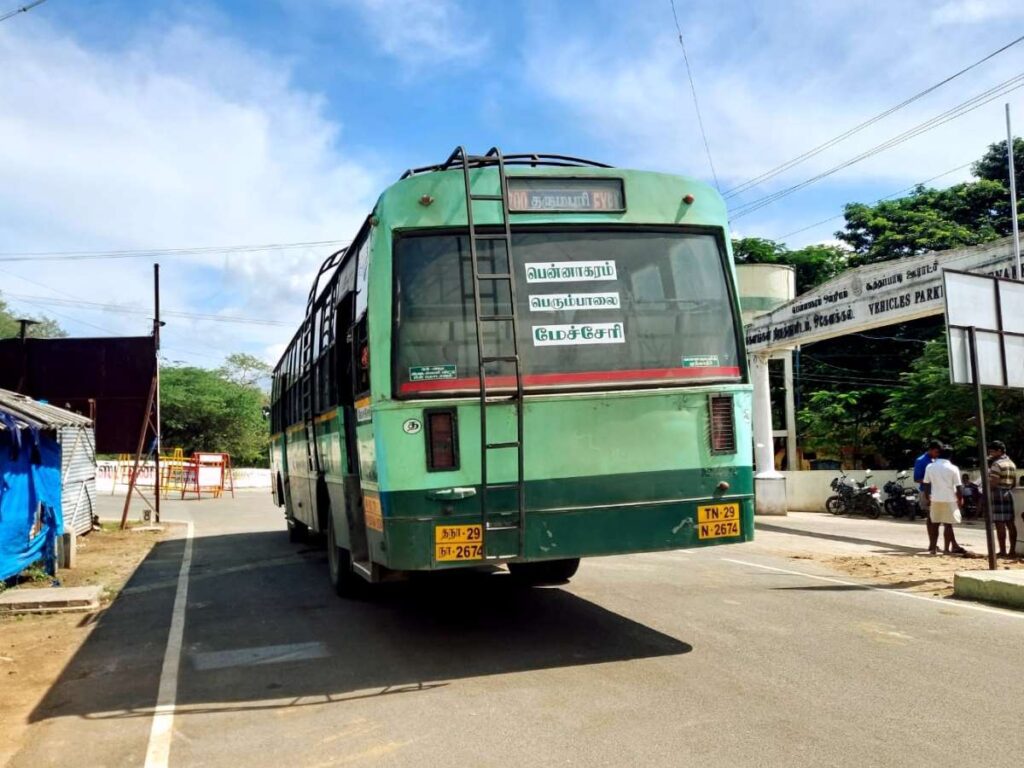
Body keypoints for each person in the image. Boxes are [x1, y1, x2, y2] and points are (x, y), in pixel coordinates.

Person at [922, 444, 967, 555]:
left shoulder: (930, 467)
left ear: (939, 453)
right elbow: (958, 486)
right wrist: (960, 498)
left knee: (935, 524)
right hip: (949, 498)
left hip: (935, 498)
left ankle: (933, 548)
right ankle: (946, 549)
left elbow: (926, 484)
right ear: (950, 456)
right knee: (948, 524)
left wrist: (927, 497)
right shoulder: (953, 468)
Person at [987, 441, 1018, 558]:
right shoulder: (1012, 463)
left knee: (999, 523)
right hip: (1008, 493)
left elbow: (993, 483)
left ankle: (1003, 551)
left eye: (992, 451)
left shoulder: (996, 464)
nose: (991, 454)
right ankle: (1012, 551)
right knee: (1010, 523)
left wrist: (987, 491)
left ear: (999, 451)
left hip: (997, 494)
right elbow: (1014, 483)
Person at [913, 440, 942, 522]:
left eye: (939, 452)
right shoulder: (921, 461)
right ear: (930, 450)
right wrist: (932, 480)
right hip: (927, 492)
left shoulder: (938, 460)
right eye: (936, 452)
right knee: (931, 517)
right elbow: (916, 479)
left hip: (939, 492)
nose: (938, 454)